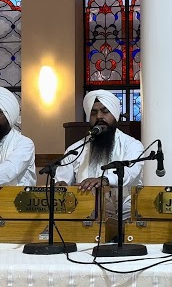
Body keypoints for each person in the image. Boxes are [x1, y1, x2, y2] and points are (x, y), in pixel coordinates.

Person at [54, 90, 145, 221]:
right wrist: (61, 185)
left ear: (114, 114)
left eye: (105, 111)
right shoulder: (75, 149)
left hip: (124, 217)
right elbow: (63, 180)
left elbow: (129, 172)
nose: (99, 117)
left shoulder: (132, 145)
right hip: (84, 214)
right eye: (93, 113)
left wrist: (105, 179)